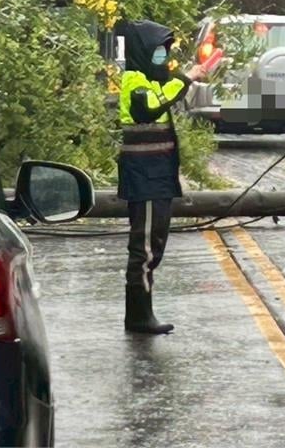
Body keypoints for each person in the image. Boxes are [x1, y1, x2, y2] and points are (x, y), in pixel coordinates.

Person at [115, 19, 207, 334]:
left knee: (155, 242)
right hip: (145, 176)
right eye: (158, 52)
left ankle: (143, 310)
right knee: (144, 247)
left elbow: (164, 93)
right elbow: (150, 108)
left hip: (157, 176)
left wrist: (188, 76)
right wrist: (185, 78)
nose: (163, 58)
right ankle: (138, 314)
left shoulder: (153, 78)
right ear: (143, 52)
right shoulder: (133, 80)